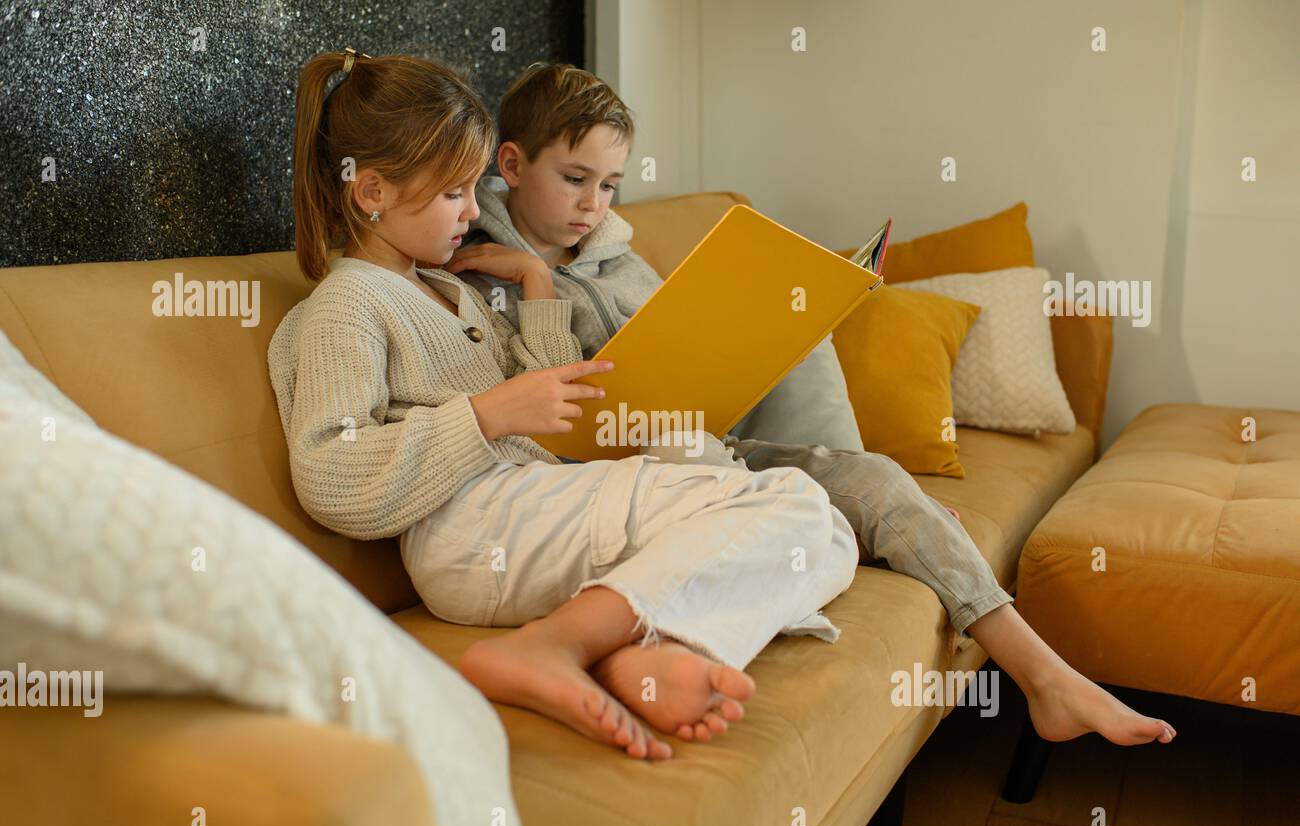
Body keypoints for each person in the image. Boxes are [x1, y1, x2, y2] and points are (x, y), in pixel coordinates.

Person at [448, 62, 1178, 750]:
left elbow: (679, 354)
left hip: (707, 442)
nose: (593, 205)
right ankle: (861, 526)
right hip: (632, 476)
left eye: (610, 185)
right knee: (800, 479)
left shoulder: (617, 254)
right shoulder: (479, 270)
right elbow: (548, 422)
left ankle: (1044, 677)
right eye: (575, 180)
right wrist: (537, 287)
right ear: (511, 166)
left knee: (876, 466)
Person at [268, 49, 865, 762]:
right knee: (795, 507)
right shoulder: (346, 305)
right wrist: (487, 416)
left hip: (531, 500)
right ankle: (551, 646)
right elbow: (330, 475)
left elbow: (556, 426)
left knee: (826, 533)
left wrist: (536, 286)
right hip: (467, 528)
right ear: (371, 191)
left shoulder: (448, 287)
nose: (472, 212)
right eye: (455, 193)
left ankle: (632, 650)